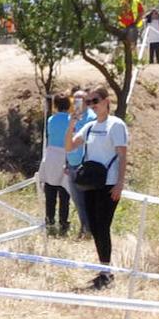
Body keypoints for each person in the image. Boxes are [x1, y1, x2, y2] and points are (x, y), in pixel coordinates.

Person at [65, 86, 127, 290]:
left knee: (103, 226)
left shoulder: (116, 125)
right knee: (94, 226)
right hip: (91, 182)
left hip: (108, 183)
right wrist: (72, 123)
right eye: (89, 101)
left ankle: (106, 272)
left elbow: (122, 155)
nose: (92, 104)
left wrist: (119, 183)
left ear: (106, 101)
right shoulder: (90, 126)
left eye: (95, 100)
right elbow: (69, 146)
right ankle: (104, 269)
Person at [63, 87, 95, 238]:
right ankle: (84, 229)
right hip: (71, 163)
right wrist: (65, 161)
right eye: (74, 99)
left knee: (86, 200)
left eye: (80, 99)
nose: (76, 102)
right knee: (77, 200)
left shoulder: (92, 118)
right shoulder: (72, 118)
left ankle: (89, 230)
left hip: (84, 164)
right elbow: (68, 140)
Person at [39, 94, 72, 236]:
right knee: (64, 192)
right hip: (65, 155)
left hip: (51, 155)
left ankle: (49, 220)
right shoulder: (72, 120)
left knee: (50, 190)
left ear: (55, 105)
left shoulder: (51, 120)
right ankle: (63, 223)